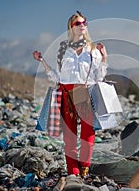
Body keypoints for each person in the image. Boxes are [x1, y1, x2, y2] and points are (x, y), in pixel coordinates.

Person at [33, 11, 108, 178]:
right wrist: (43, 62)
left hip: (84, 92)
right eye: (78, 24)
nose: (82, 26)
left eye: (84, 22)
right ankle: (72, 172)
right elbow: (57, 77)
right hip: (66, 92)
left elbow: (99, 77)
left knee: (88, 133)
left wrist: (104, 58)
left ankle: (85, 167)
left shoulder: (93, 49)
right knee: (70, 136)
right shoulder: (63, 48)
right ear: (71, 27)